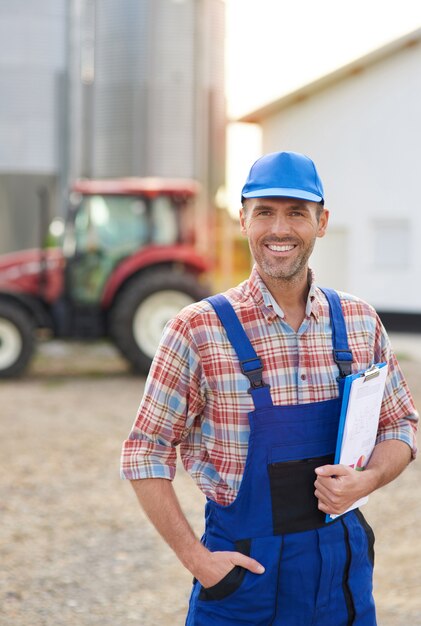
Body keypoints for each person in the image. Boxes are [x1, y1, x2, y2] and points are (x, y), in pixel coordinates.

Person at [120, 151, 418, 625]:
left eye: (297, 212)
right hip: (244, 588)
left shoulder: (360, 322)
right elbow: (144, 452)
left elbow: (400, 423)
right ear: (243, 220)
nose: (280, 229)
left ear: (322, 222)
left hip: (342, 582)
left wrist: (368, 479)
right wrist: (198, 560)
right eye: (265, 212)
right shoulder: (198, 329)